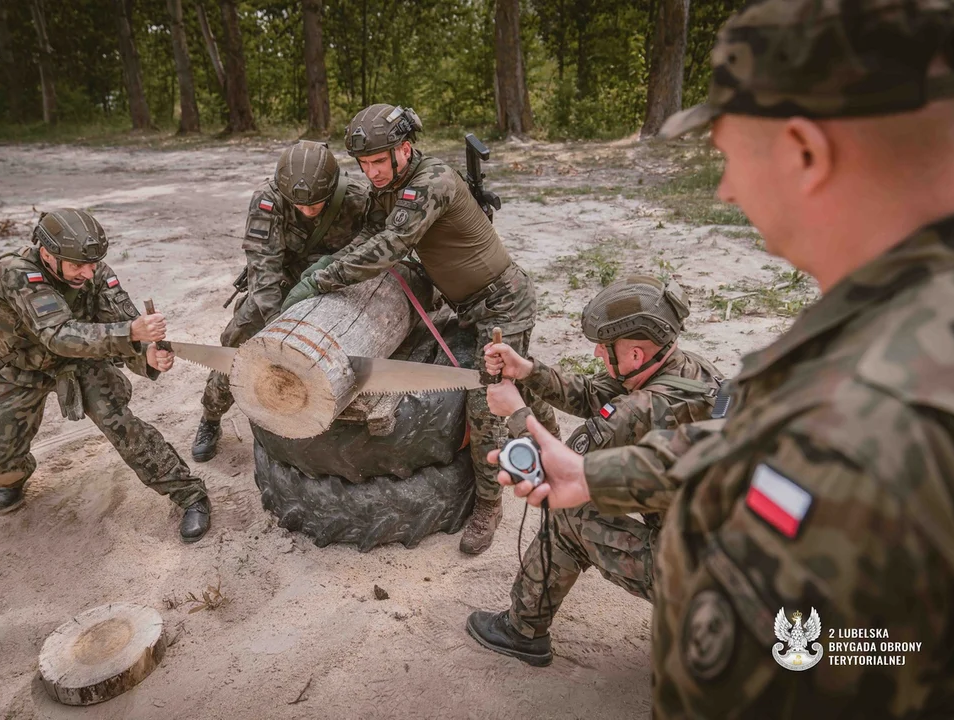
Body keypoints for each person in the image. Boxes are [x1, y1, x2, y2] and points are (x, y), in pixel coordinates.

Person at [497, 0, 954, 714]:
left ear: (804, 152)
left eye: (727, 153)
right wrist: (593, 472)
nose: (723, 187)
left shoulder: (870, 420)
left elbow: (826, 656)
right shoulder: (904, 313)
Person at [281, 103, 560, 555]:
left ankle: (488, 505)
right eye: (364, 164)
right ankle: (553, 442)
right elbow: (370, 233)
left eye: (377, 161)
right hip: (468, 302)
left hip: (501, 303)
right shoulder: (389, 185)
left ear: (404, 150)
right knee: (516, 381)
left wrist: (319, 279)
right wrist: (329, 263)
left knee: (486, 403)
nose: (370, 172)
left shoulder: (431, 182)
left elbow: (389, 247)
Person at [465, 276, 723, 666]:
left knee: (569, 514)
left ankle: (523, 630)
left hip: (701, 578)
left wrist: (515, 411)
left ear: (636, 354)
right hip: (732, 558)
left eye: (606, 348)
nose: (600, 354)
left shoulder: (642, 409)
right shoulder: (687, 372)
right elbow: (593, 393)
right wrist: (528, 371)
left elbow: (556, 474)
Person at [0, 209, 212, 543]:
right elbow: (59, 335)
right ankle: (13, 478)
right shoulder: (16, 274)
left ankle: (189, 494)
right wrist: (131, 333)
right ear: (47, 255)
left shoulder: (93, 271)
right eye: (77, 266)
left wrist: (148, 357)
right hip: (21, 365)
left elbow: (122, 321)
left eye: (93, 263)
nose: (89, 272)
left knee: (118, 421)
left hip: (82, 360)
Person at [191, 141, 371, 462]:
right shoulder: (268, 201)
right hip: (281, 283)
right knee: (236, 341)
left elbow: (375, 246)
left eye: (316, 204)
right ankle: (211, 415)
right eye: (298, 204)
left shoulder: (356, 198)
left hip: (333, 282)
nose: (306, 210)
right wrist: (278, 330)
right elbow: (263, 272)